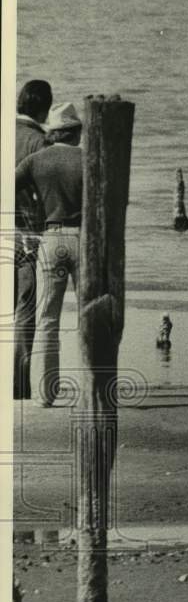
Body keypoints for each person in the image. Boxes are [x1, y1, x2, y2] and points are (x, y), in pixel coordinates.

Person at [14, 102, 83, 407]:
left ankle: (45, 393)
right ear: (76, 133)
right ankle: (93, 388)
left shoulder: (35, 161)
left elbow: (8, 187)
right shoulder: (91, 160)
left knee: (47, 318)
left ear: (52, 133)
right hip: (85, 239)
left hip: (51, 239)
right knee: (90, 315)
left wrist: (26, 225)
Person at [13, 80, 52, 400]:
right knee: (24, 307)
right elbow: (44, 194)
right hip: (25, 233)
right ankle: (18, 385)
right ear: (46, 108)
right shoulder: (40, 142)